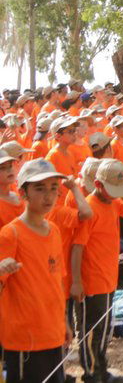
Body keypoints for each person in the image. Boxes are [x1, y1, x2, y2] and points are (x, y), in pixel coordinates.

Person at [0, 159, 74, 383]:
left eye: (53, 188)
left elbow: (57, 281)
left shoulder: (53, 230)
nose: (48, 196)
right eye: (39, 189)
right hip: (24, 339)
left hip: (52, 333)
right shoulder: (11, 234)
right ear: (23, 194)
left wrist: (64, 322)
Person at [70, 159, 123, 383]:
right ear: (98, 184)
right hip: (92, 281)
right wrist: (77, 282)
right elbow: (77, 248)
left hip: (108, 278)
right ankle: (92, 374)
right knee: (91, 331)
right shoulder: (90, 208)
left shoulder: (111, 202)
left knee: (103, 330)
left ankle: (101, 370)